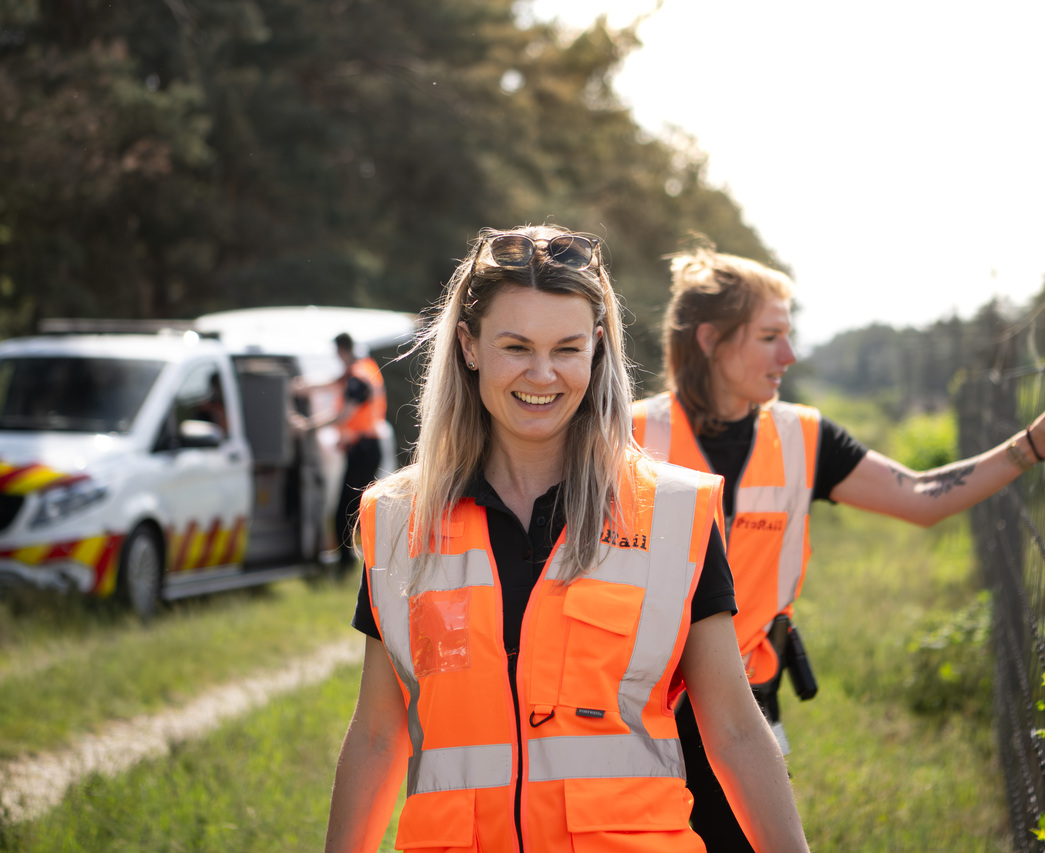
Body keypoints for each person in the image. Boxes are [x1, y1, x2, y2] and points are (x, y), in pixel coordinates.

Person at [324, 226, 811, 853]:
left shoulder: (675, 514)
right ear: (470, 346)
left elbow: (736, 730)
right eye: (517, 346)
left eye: (567, 348)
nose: (543, 374)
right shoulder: (398, 520)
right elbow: (376, 736)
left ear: (597, 349)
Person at [632, 247, 1045, 852]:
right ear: (709, 339)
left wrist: (1028, 450)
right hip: (635, 705)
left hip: (743, 701)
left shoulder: (803, 437)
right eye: (769, 337)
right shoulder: (626, 436)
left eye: (788, 335)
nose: (789, 355)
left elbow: (919, 495)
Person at [295, 332, 386, 570]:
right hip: (364, 447)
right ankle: (354, 562)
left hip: (362, 449)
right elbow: (333, 383)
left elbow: (345, 413)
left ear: (339, 351)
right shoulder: (363, 368)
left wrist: (309, 425)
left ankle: (346, 565)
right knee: (355, 508)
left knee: (346, 511)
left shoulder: (356, 377)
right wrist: (304, 387)